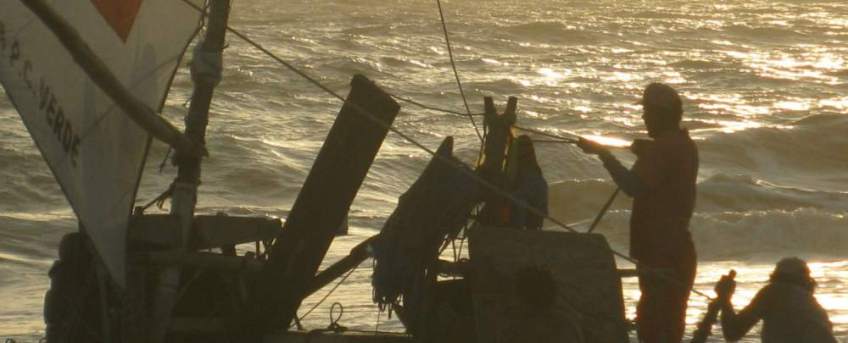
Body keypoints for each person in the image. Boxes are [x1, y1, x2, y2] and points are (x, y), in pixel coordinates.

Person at [576, 82, 698, 343]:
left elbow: (633, 186)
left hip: (661, 252)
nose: (643, 117)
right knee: (670, 328)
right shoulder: (684, 144)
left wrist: (603, 155)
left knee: (653, 329)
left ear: (660, 114)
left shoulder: (662, 149)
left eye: (646, 112)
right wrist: (645, 150)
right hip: (678, 250)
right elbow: (666, 168)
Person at [714, 257, 837, 343]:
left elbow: (733, 332)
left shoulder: (773, 291)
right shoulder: (813, 306)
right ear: (806, 280)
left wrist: (725, 298)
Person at [509, 135, 548, 230]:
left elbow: (513, 180)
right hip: (540, 194)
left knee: (517, 200)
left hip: (531, 194)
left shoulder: (521, 165)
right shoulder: (534, 167)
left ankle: (518, 231)